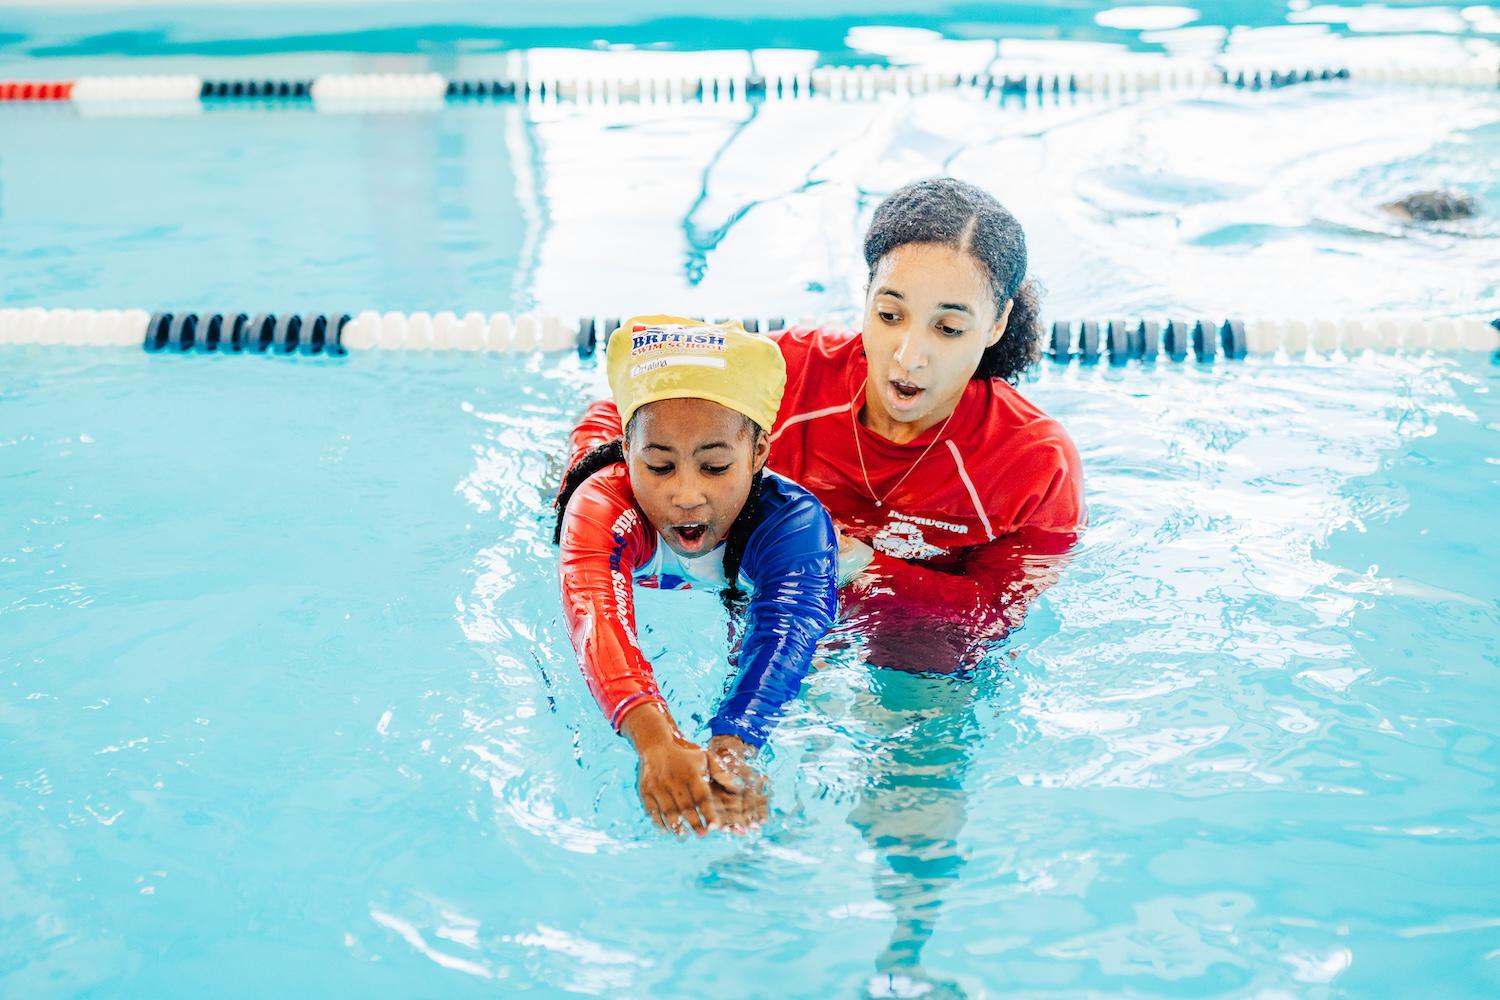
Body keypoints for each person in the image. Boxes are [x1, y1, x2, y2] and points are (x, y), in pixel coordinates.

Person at [578, 178, 1085, 670]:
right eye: (890, 315)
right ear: (865, 297)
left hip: (920, 655)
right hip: (771, 618)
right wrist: (589, 494)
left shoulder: (1036, 462)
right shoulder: (787, 375)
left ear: (996, 323)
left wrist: (864, 567)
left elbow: (1001, 613)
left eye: (948, 328)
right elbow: (630, 409)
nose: (909, 358)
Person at [554, 315, 839, 836]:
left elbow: (789, 633)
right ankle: (601, 417)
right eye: (660, 468)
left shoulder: (793, 522)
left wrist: (736, 744)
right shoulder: (601, 505)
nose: (686, 495)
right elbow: (596, 618)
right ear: (629, 455)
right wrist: (654, 739)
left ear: (758, 455)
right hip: (604, 438)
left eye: (714, 467)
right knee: (578, 450)